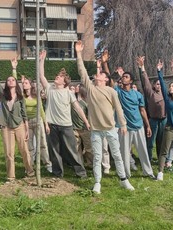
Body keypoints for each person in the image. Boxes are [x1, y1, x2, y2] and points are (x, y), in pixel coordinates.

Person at [77, 41, 134, 193]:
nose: (97, 74)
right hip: (96, 130)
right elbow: (82, 72)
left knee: (117, 155)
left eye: (100, 74)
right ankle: (97, 183)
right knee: (97, 157)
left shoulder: (111, 91)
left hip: (110, 129)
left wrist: (122, 124)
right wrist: (78, 53)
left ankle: (123, 180)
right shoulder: (90, 89)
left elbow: (119, 108)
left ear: (105, 79)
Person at [38, 50, 89, 179]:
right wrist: (41, 60)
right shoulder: (49, 90)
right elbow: (41, 76)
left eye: (60, 77)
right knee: (54, 151)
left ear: (64, 82)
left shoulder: (68, 93)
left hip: (66, 126)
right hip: (52, 126)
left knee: (72, 151)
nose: (57, 77)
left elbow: (78, 108)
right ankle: (57, 173)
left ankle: (81, 173)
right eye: (57, 75)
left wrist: (87, 122)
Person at [0, 52, 34, 182]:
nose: (10, 81)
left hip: (20, 126)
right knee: (9, 153)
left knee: (24, 151)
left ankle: (30, 172)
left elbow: (24, 114)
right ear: (7, 83)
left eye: (12, 79)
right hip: (6, 127)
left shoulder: (20, 98)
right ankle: (11, 177)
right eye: (8, 80)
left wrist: (26, 130)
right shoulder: (3, 95)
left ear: (16, 83)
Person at [21, 71, 52, 173]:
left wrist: (45, 124)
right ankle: (30, 166)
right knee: (29, 146)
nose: (24, 84)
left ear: (30, 85)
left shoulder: (36, 95)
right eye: (23, 83)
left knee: (42, 143)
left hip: (37, 120)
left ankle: (47, 163)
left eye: (26, 83)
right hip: (27, 123)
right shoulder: (22, 96)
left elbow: (41, 109)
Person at [136, 56, 166, 163]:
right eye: (157, 84)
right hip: (153, 120)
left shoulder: (165, 93)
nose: (159, 86)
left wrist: (160, 70)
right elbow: (145, 81)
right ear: (154, 85)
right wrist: (142, 67)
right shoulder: (151, 93)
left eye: (160, 84)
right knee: (150, 141)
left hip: (163, 120)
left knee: (161, 142)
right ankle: (147, 160)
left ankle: (160, 160)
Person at [72, 84, 93, 168]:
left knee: (88, 148)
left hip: (85, 128)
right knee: (77, 148)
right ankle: (79, 164)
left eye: (77, 86)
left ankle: (91, 164)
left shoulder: (85, 102)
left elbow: (89, 115)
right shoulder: (73, 101)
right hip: (74, 128)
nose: (76, 87)